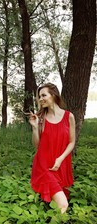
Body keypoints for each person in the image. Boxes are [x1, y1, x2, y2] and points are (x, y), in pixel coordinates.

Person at [29, 83, 76, 214]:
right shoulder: (41, 118)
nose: (40, 99)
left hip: (61, 165)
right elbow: (37, 146)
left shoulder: (69, 116)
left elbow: (72, 142)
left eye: (44, 95)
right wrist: (34, 127)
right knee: (63, 205)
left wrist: (60, 159)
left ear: (54, 95)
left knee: (55, 204)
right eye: (39, 96)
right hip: (44, 166)